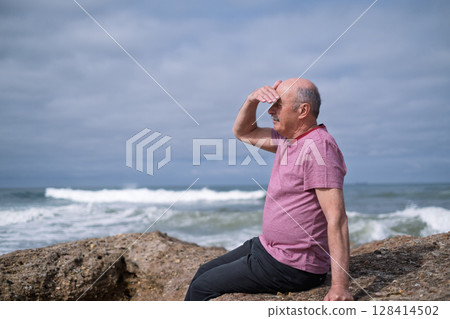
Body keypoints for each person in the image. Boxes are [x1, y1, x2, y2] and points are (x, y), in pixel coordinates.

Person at [184, 78, 353, 301]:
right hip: (268, 248)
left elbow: (337, 218)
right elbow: (243, 132)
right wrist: (251, 99)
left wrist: (339, 286)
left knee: (202, 288)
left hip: (294, 266)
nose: (271, 111)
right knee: (202, 273)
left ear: (303, 110)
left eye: (278, 105)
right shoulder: (287, 139)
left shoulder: (319, 146)